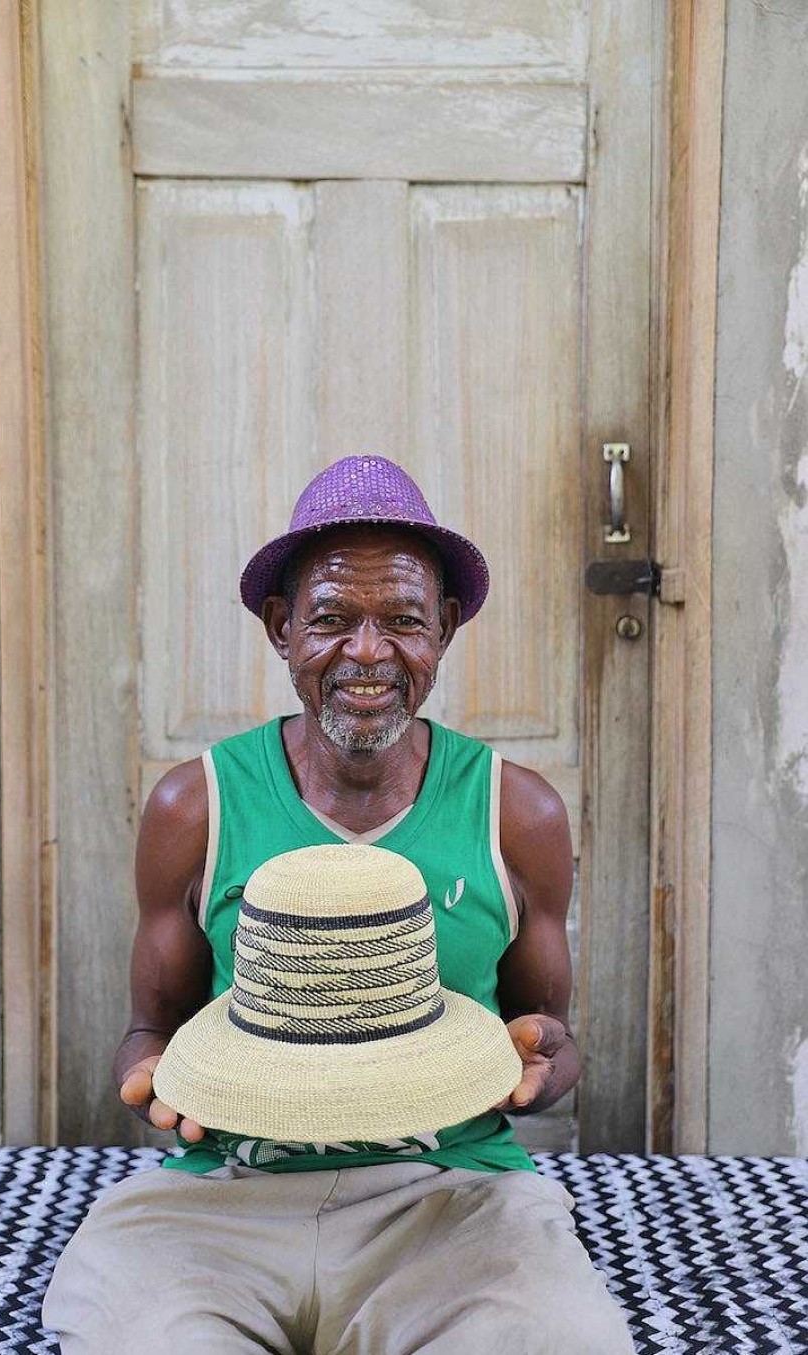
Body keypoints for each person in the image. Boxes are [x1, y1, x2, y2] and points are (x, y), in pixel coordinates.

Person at [43, 455, 634, 1354]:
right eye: (330, 619)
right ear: (282, 628)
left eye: (401, 619)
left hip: (445, 1193)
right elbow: (148, 1028)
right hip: (228, 1192)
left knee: (560, 1338)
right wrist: (154, 1080)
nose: (366, 652)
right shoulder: (193, 805)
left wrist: (548, 1064)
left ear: (443, 630)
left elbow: (544, 1029)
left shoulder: (516, 812)